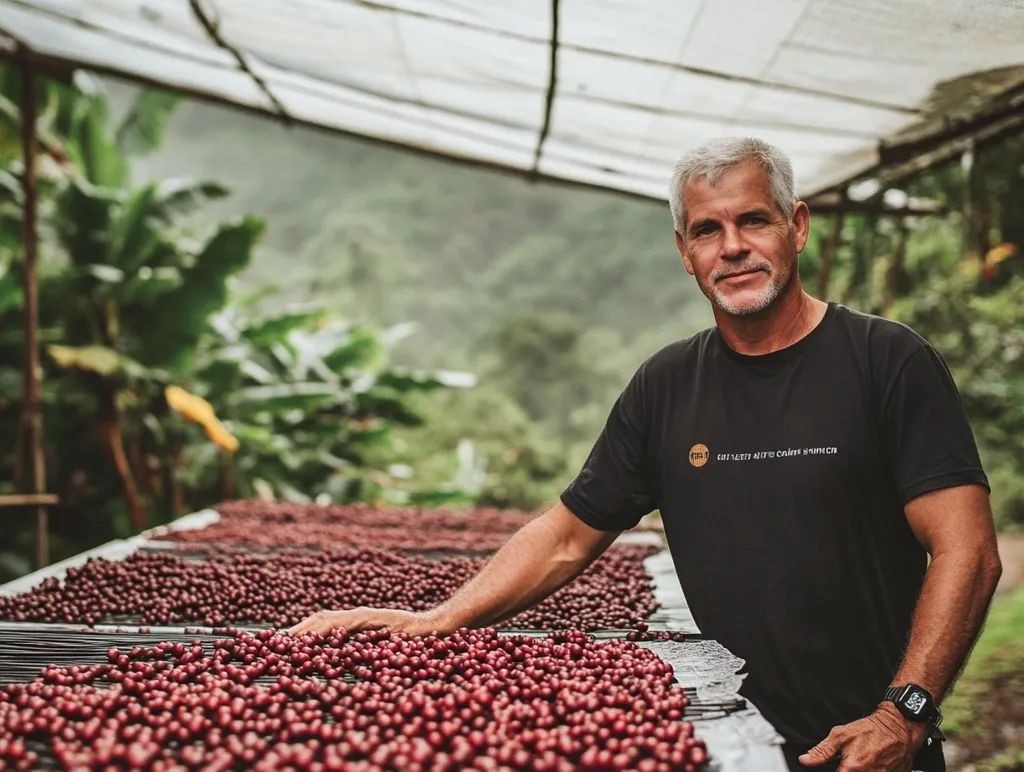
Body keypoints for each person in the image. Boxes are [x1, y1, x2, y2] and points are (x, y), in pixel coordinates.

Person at [290, 137, 1003, 772]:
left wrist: (904, 712)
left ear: (798, 227)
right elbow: (569, 534)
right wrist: (442, 618)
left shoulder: (887, 361)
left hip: (868, 747)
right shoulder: (666, 385)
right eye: (707, 230)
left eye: (753, 219)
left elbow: (967, 552)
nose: (732, 246)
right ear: (684, 252)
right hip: (729, 741)